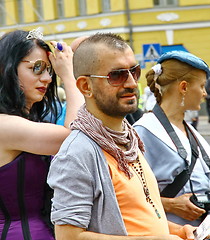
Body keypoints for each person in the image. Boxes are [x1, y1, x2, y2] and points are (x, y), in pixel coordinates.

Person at [47, 33, 195, 240]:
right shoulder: (77, 153)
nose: (132, 83)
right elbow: (68, 236)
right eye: (116, 75)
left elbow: (139, 215)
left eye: (134, 71)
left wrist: (176, 230)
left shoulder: (129, 138)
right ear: (85, 87)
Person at [0, 29, 84, 239]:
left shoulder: (22, 121)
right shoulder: (5, 126)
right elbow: (76, 136)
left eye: (49, 70)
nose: (47, 78)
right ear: (6, 70)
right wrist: (68, 75)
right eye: (36, 68)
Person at [134, 51, 210, 227]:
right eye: (202, 86)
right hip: (168, 232)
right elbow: (127, 196)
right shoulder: (144, 131)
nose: (204, 93)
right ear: (184, 87)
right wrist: (171, 205)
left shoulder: (190, 131)